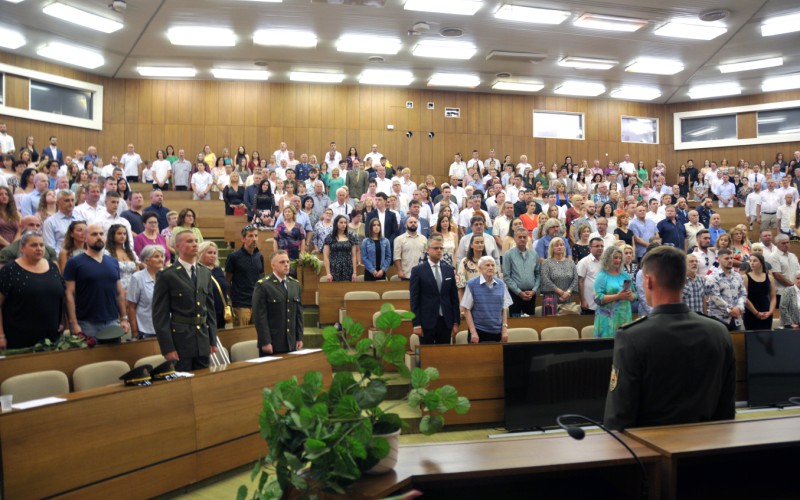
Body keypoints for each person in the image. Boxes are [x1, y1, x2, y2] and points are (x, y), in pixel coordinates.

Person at [603, 245, 736, 431]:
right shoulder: (719, 332)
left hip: (652, 449)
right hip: (708, 447)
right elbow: (726, 409)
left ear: (648, 281)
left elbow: (619, 417)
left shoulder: (632, 336)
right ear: (683, 280)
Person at [152, 230, 218, 371]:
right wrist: (167, 348)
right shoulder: (167, 275)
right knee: (184, 383)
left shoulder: (205, 272)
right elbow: (160, 316)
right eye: (189, 241)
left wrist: (213, 339)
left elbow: (210, 310)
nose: (195, 244)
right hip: (181, 341)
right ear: (178, 246)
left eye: (196, 241)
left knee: (204, 381)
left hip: (202, 339)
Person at [0, 231, 65, 350]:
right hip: (19, 338)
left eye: (41, 245)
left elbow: (60, 296)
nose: (39, 248)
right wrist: (1, 336)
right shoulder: (9, 271)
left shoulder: (53, 267)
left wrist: (61, 322)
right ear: (22, 248)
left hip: (51, 337)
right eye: (34, 245)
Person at [64, 224, 130, 338]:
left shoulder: (113, 262)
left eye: (101, 234)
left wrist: (124, 318)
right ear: (84, 238)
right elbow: (69, 294)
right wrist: (73, 323)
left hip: (112, 321)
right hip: (86, 323)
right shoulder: (74, 263)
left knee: (114, 356)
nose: (99, 237)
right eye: (94, 234)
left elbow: (119, 293)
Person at [410, 235, 460, 345]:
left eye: (441, 248)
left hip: (446, 320)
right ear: (427, 250)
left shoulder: (448, 269)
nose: (439, 251)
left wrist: (456, 322)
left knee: (444, 356)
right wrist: (416, 324)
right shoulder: (417, 270)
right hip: (426, 321)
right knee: (427, 357)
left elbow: (454, 298)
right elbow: (414, 300)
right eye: (436, 248)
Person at [252, 250, 304, 355]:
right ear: (273, 265)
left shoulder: (294, 285)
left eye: (288, 262)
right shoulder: (263, 285)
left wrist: (299, 337)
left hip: (291, 342)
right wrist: (265, 341)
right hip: (273, 343)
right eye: (282, 262)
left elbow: (298, 315)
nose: (286, 265)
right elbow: (259, 317)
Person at [461, 256, 512, 343]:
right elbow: (466, 309)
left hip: (497, 331)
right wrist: (473, 332)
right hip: (478, 331)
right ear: (480, 268)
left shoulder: (501, 284)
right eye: (487, 265)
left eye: (492, 265)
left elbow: (504, 309)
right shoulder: (472, 284)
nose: (491, 268)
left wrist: (504, 330)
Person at [593, 245, 635, 338]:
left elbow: (635, 294)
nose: (618, 260)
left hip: (624, 317)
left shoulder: (625, 275)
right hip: (607, 320)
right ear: (608, 258)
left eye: (620, 258)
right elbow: (597, 298)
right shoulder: (602, 275)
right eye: (615, 258)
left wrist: (632, 296)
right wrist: (617, 296)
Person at [225, 225, 264, 326]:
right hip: (240, 305)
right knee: (242, 337)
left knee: (255, 337)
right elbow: (227, 281)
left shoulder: (259, 256)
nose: (254, 239)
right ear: (243, 239)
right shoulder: (234, 256)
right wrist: (233, 299)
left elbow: (261, 278)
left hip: (256, 303)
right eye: (250, 236)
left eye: (256, 236)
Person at [126, 245, 165, 339]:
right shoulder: (137, 278)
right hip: (145, 330)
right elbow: (131, 307)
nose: (161, 259)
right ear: (146, 261)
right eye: (156, 256)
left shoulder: (167, 276)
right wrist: (135, 331)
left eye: (162, 256)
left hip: (166, 329)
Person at [705, 249, 747, 331]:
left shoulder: (738, 276)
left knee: (736, 343)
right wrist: (730, 310)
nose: (730, 260)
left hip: (736, 319)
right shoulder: (712, 277)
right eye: (727, 258)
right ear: (719, 260)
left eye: (731, 258)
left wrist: (739, 308)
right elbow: (715, 297)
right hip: (718, 319)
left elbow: (743, 293)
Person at [502, 229, 541, 317]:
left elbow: (538, 274)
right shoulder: (509, 254)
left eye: (524, 237)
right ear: (515, 239)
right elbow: (506, 277)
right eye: (520, 237)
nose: (522, 239)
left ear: (527, 239)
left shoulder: (534, 254)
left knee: (530, 321)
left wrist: (534, 290)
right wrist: (519, 292)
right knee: (516, 322)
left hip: (531, 294)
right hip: (515, 294)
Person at [540, 236, 579, 316]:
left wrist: (567, 292)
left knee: (566, 324)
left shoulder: (570, 262)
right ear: (552, 248)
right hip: (551, 298)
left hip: (567, 297)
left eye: (561, 245)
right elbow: (545, 279)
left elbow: (575, 279)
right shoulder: (546, 263)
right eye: (556, 245)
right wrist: (561, 292)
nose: (559, 247)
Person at [198, 241, 228, 331]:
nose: (213, 255)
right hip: (206, 313)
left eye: (215, 253)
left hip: (220, 312)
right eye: (209, 253)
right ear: (201, 254)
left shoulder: (218, 269)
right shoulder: (197, 270)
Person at [742, 253, 775, 331]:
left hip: (766, 312)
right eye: (750, 261)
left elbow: (773, 297)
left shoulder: (769, 277)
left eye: (755, 261)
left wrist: (770, 311)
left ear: (761, 262)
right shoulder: (745, 277)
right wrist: (756, 313)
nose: (752, 263)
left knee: (766, 337)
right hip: (751, 312)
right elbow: (744, 297)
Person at [323, 215, 358, 282]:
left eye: (345, 223)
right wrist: (328, 273)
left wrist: (354, 272)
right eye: (341, 222)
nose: (343, 225)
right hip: (334, 268)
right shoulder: (329, 237)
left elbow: (354, 256)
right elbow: (326, 257)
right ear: (336, 224)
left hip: (348, 267)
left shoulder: (351, 237)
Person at [393, 216, 427, 280]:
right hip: (406, 274)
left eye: (415, 222)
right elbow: (397, 257)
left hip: (421, 274)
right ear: (406, 225)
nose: (413, 223)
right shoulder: (399, 239)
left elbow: (426, 256)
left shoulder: (424, 239)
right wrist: (399, 271)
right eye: (411, 222)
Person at [577, 237, 604, 315]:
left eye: (602, 246)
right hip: (589, 304)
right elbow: (580, 282)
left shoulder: (605, 261)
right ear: (590, 248)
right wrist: (582, 300)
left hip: (603, 303)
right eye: (597, 246)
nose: (600, 248)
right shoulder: (584, 262)